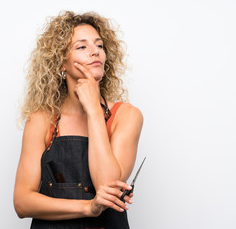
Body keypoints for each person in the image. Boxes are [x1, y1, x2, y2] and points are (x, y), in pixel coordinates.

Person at [13, 11, 143, 229]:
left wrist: (93, 109)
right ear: (61, 63)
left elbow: (107, 185)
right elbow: (22, 202)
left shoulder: (127, 116)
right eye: (82, 47)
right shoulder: (42, 119)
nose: (95, 53)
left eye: (99, 46)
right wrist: (87, 207)